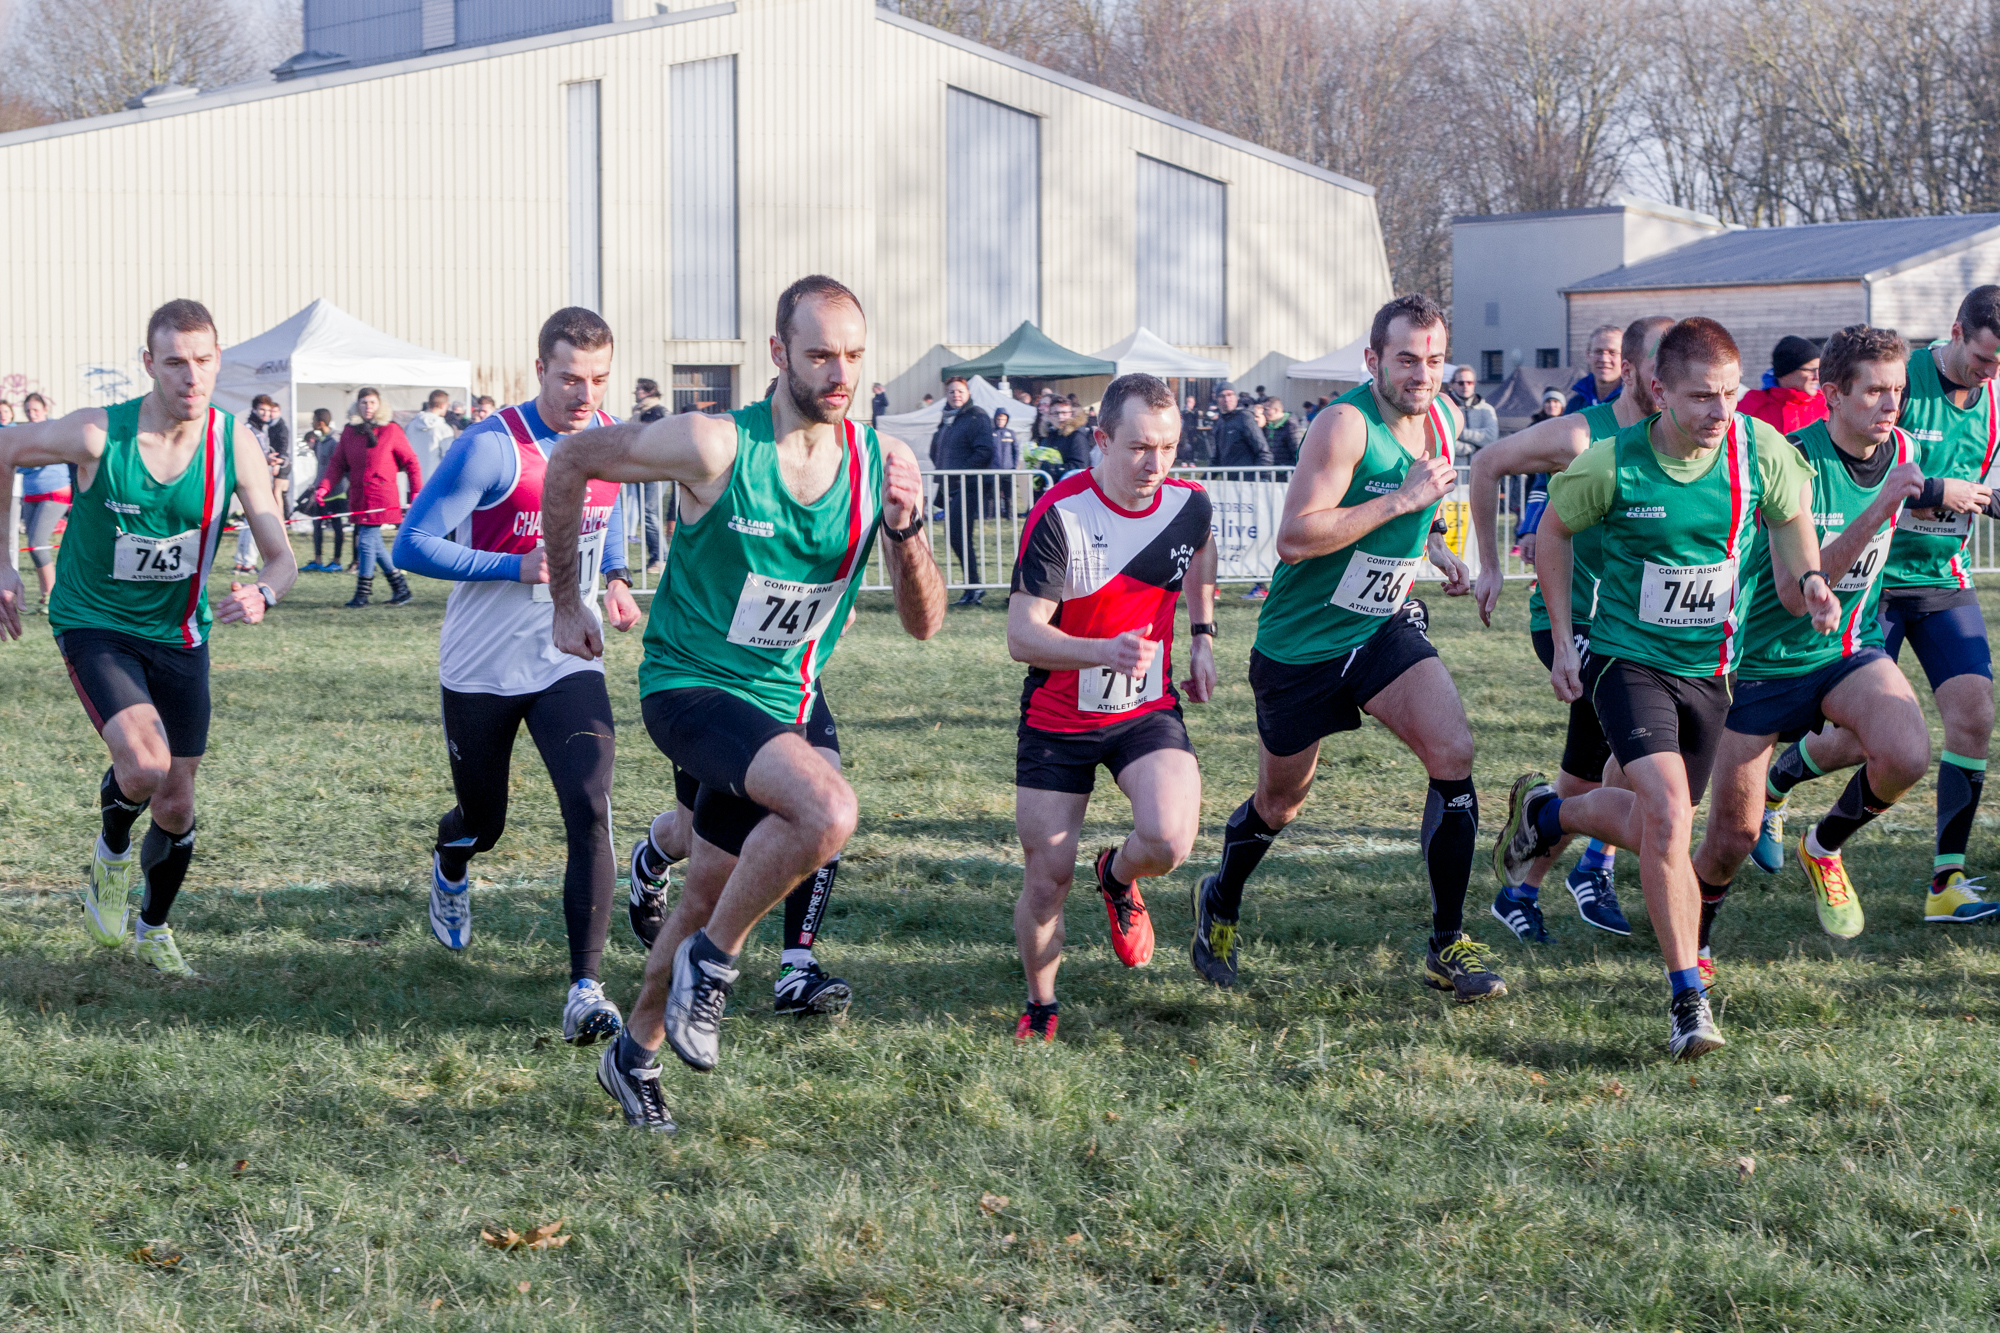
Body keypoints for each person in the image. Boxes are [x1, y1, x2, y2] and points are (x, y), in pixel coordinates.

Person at [542, 274, 945, 1131]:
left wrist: (907, 532)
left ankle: (635, 1054)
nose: (840, 376)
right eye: (821, 356)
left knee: (702, 893)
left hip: (780, 699)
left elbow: (925, 624)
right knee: (829, 807)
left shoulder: (879, 462)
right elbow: (572, 458)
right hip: (689, 687)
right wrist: (567, 601)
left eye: (854, 358)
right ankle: (716, 969)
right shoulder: (715, 445)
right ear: (777, 354)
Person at [1498, 317, 1837, 1061]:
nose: (1720, 412)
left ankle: (1548, 813)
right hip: (1625, 658)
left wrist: (1811, 578)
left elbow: (1791, 521)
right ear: (1658, 389)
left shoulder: (1760, 450)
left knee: (1670, 825)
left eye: (1729, 394)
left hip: (1711, 670)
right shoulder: (1612, 463)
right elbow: (1549, 535)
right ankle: (1688, 999)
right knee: (1666, 811)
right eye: (1702, 398)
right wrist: (1562, 638)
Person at [1197, 294, 1488, 1000]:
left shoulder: (1443, 420)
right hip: (1302, 647)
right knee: (1280, 802)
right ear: (1374, 360)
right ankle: (1220, 898)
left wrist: (1439, 548)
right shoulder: (1345, 424)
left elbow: (1418, 504)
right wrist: (1399, 502)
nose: (1423, 375)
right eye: (1407, 360)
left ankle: (1448, 942)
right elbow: (1296, 537)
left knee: (1453, 753)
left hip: (1380, 626)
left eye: (1434, 359)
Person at [0, 299, 298, 977]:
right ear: (148, 365)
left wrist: (265, 591)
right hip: (94, 622)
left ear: (217, 360)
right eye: (174, 362)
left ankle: (152, 928)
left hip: (180, 633)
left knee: (177, 798)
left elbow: (282, 555)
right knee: (143, 765)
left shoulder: (235, 441)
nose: (190, 377)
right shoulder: (101, 434)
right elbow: (6, 448)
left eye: (202, 361)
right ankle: (109, 858)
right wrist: (4, 561)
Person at [391, 307, 642, 1044]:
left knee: (590, 804)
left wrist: (619, 576)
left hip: (567, 659)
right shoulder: (491, 448)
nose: (584, 394)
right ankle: (452, 860)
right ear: (540, 370)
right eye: (569, 377)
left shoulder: (611, 437)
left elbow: (608, 508)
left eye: (597, 379)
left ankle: (586, 987)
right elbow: (412, 544)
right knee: (484, 820)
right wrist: (513, 565)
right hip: (482, 667)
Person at [1687, 325, 1934, 977]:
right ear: (1832, 394)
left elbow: (1910, 496)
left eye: (1899, 392)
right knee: (1729, 842)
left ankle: (1823, 846)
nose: (1891, 406)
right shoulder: (1789, 464)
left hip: (1844, 651)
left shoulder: (1900, 447)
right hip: (1761, 665)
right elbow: (1801, 593)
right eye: (1876, 391)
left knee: (1907, 750)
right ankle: (1697, 942)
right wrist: (1882, 508)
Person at [1762, 286, 2000, 920]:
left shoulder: (1995, 402)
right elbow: (1872, 467)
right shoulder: (1902, 379)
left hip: (1939, 574)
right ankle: (1779, 780)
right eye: (1982, 359)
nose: (1990, 373)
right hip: (1870, 579)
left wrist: (1977, 497)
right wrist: (1931, 490)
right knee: (1855, 737)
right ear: (1955, 333)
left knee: (1974, 715)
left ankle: (1945, 883)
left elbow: (1984, 488)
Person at [1008, 373, 1216, 1039]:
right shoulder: (1061, 515)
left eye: (1168, 447)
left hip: (1143, 709)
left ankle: (1118, 875)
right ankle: (1042, 1004)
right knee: (1047, 878)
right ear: (1101, 440)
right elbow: (1021, 634)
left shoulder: (1189, 504)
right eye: (1138, 448)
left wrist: (1202, 637)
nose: (1155, 464)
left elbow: (1199, 554)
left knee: (1169, 839)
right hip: (1057, 717)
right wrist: (1102, 649)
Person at [1469, 315, 1676, 941]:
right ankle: (1589, 863)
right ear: (1636, 372)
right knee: (1631, 760)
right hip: (1575, 626)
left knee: (1589, 775)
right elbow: (1485, 465)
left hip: (1639, 631)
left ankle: (1531, 885)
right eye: (1668, 374)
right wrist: (1489, 563)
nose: (1680, 386)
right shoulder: (1584, 433)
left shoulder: (1684, 434)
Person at [628, 683, 858, 1021]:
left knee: (823, 806)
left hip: (791, 675)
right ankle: (653, 858)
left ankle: (796, 968)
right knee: (694, 839)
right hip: (709, 678)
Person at [313, 388, 421, 608]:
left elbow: (411, 462)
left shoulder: (391, 430)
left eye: (372, 402)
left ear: (379, 405)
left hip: (382, 496)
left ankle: (362, 593)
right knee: (374, 543)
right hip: (359, 496)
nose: (368, 406)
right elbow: (336, 464)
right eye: (364, 402)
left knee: (365, 541)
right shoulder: (349, 432)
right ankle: (401, 588)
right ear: (357, 406)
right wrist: (323, 487)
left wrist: (416, 492)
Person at [929, 375, 995, 606]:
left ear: (967, 393)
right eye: (951, 392)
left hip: (970, 486)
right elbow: (936, 449)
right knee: (955, 536)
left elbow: (985, 450)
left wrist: (960, 472)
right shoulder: (948, 420)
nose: (956, 395)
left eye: (960, 391)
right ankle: (972, 587)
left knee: (958, 535)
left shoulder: (977, 416)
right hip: (952, 486)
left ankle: (974, 588)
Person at [14, 392, 69, 609]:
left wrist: (25, 461)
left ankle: (54, 596)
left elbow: (43, 458)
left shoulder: (55, 428)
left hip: (55, 491)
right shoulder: (24, 432)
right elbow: (17, 462)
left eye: (36, 410)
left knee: (37, 545)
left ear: (45, 410)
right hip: (31, 493)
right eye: (28, 411)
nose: (32, 414)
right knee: (33, 546)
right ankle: (45, 594)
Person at [234, 394, 289, 573]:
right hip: (251, 481)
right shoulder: (249, 429)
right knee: (254, 522)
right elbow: (245, 455)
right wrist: (265, 458)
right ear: (254, 410)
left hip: (258, 478)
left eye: (268, 410)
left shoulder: (260, 429)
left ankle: (242, 562)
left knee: (247, 522)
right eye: (262, 410)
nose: (265, 414)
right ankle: (248, 562)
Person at [1738, 336, 1827, 435]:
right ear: (1786, 373)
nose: (1817, 377)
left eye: (1819, 369)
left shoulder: (1828, 405)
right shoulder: (1752, 407)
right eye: (1810, 370)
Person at [302, 408, 347, 572]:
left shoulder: (335, 441)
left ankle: (336, 561)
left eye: (313, 419)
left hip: (336, 492)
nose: (311, 423)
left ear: (320, 422)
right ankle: (317, 560)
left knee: (337, 527)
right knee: (317, 525)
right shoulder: (320, 440)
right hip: (320, 491)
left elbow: (338, 467)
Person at [633, 378, 669, 576]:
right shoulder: (640, 411)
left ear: (648, 391)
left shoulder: (659, 412)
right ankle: (657, 557)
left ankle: (660, 558)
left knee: (649, 513)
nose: (635, 392)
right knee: (647, 513)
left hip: (657, 469)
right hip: (645, 469)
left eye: (638, 389)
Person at [1566, 324, 1624, 411]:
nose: (1604, 359)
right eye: (1598, 352)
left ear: (1625, 357)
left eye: (1612, 352)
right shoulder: (1575, 405)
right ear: (1588, 355)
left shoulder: (1637, 404)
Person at [1211, 385, 1270, 467]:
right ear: (1216, 399)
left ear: (1235, 398)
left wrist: (1263, 477)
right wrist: (1204, 479)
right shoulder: (1220, 422)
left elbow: (1263, 451)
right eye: (1222, 396)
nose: (1227, 399)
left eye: (1230, 395)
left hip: (1248, 477)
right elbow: (1216, 458)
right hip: (1228, 477)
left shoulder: (1245, 417)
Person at [1447, 366, 1498, 456]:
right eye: (1461, 383)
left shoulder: (1487, 409)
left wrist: (1459, 433)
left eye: (1469, 383)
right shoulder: (1445, 409)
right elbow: (1443, 440)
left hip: (1480, 467)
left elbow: (1491, 436)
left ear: (1474, 384)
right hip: (1454, 467)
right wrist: (1470, 448)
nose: (1465, 386)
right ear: (1453, 384)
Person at [408, 389, 457, 477]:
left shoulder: (411, 425)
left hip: (413, 481)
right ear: (442, 405)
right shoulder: (444, 429)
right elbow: (449, 458)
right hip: (433, 482)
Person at [1263, 396, 1304, 467]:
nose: (1264, 412)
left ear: (1276, 410)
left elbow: (1297, 450)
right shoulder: (1268, 425)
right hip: (1274, 470)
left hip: (1285, 471)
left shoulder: (1291, 425)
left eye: (1266, 409)